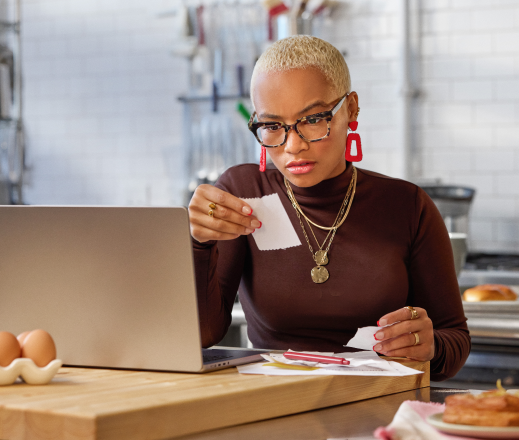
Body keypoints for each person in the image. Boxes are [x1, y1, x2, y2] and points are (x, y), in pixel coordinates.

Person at [188, 35, 469, 381]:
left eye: (312, 119)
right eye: (272, 126)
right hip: (270, 407)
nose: (292, 145)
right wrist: (198, 242)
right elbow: (204, 335)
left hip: (378, 407)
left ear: (350, 109)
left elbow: (455, 339)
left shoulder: (407, 206)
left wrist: (431, 346)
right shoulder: (243, 196)